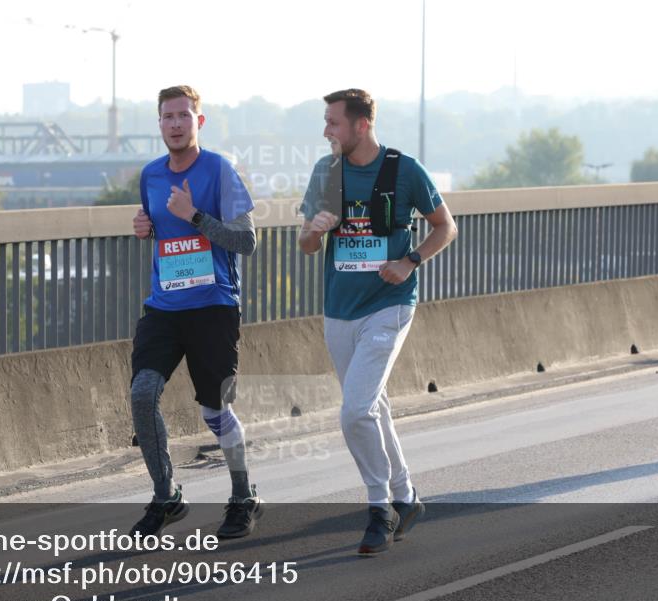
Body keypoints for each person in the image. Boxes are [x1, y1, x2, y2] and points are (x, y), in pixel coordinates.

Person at [298, 89, 457, 556]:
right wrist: (315, 231)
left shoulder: (404, 170)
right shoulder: (326, 172)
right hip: (339, 308)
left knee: (355, 411)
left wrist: (410, 261)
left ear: (361, 125)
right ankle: (406, 497)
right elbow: (305, 244)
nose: (326, 131)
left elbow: (445, 226)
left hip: (390, 305)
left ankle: (378, 507)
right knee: (373, 405)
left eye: (333, 122)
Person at [129, 85, 263, 540]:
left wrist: (196, 217)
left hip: (213, 307)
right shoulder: (150, 175)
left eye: (184, 116)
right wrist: (145, 228)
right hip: (164, 307)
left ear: (198, 122)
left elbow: (247, 241)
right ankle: (166, 496)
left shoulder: (219, 170)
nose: (175, 124)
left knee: (215, 410)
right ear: (159, 123)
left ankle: (243, 497)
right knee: (143, 394)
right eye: (167, 117)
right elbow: (159, 229)